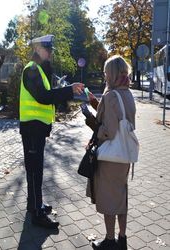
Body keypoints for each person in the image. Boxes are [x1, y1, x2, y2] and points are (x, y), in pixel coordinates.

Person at [19, 34, 84, 229]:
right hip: (32, 128)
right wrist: (69, 90)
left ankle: (34, 204)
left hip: (36, 128)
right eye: (48, 50)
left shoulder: (37, 69)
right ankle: (37, 213)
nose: (51, 54)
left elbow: (46, 95)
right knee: (34, 171)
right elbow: (43, 97)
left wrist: (65, 90)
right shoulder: (31, 70)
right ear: (38, 49)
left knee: (35, 169)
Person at [85, 55, 136, 250]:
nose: (104, 75)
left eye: (106, 71)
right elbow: (119, 117)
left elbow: (108, 131)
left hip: (110, 158)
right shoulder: (127, 94)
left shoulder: (110, 96)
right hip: (124, 156)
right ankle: (122, 239)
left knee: (109, 198)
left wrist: (91, 121)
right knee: (121, 197)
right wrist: (96, 104)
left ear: (112, 73)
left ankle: (109, 241)